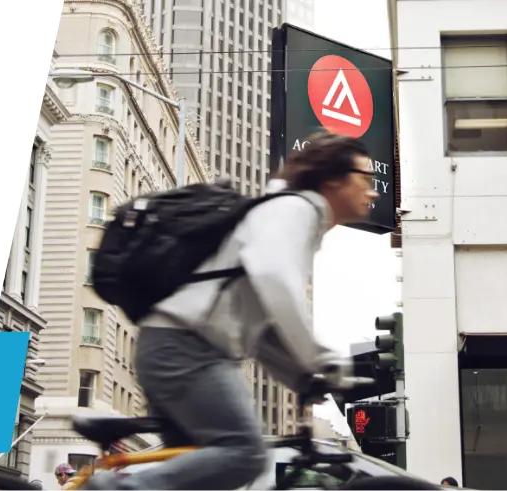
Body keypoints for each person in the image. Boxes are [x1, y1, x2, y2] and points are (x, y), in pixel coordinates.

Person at [85, 131, 380, 491]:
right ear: (334, 178)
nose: (373, 190)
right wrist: (320, 360)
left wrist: (303, 376)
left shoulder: (292, 216)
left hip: (175, 348)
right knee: (245, 453)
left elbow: (262, 329)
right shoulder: (294, 209)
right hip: (185, 349)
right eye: (366, 178)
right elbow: (274, 279)